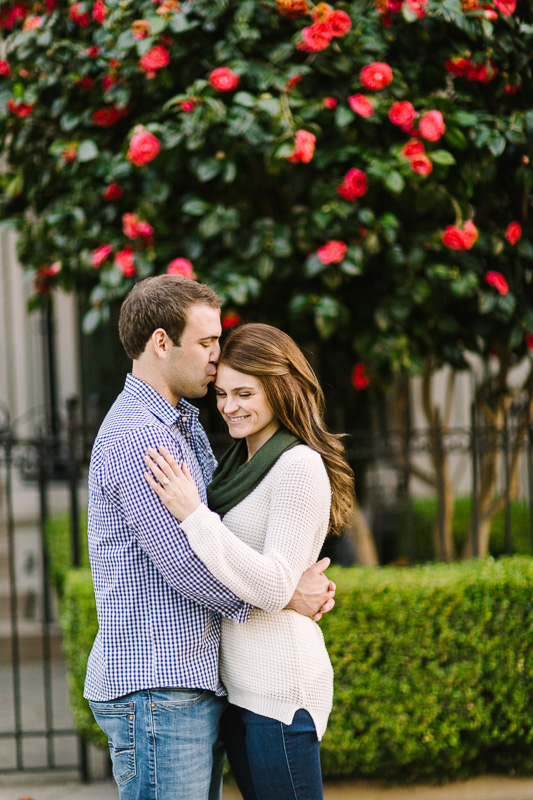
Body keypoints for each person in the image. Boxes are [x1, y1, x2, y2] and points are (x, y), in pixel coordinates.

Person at [84, 275, 336, 800]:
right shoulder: (141, 435)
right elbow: (184, 562)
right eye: (205, 343)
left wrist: (277, 581)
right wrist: (287, 593)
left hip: (195, 685)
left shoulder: (180, 424)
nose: (216, 357)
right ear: (161, 343)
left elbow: (214, 530)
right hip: (157, 683)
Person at [144, 322, 354, 800]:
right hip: (239, 692)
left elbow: (276, 585)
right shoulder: (238, 464)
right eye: (221, 394)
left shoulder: (298, 465)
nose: (229, 407)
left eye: (244, 393)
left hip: (279, 692)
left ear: (278, 389)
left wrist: (195, 514)